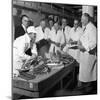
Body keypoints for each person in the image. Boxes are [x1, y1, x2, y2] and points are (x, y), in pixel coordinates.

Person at [76, 13, 97, 93]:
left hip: (89, 55)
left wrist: (83, 47)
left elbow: (94, 43)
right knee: (85, 73)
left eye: (82, 19)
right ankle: (84, 87)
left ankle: (88, 90)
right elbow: (84, 38)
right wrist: (79, 41)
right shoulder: (86, 27)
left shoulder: (92, 28)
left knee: (88, 73)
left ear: (86, 19)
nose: (81, 21)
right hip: (84, 55)